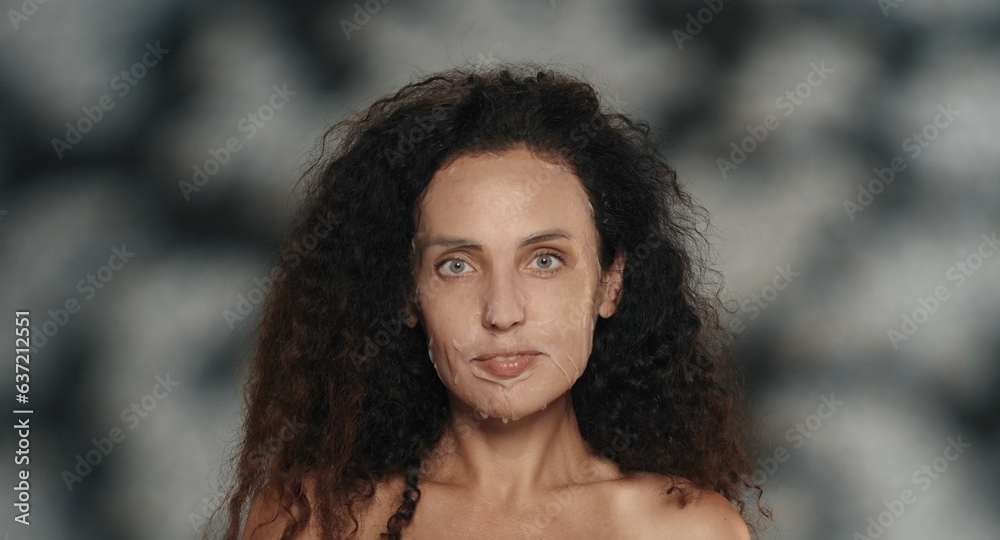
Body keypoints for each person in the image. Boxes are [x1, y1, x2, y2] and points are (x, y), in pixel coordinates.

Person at [207, 63, 763, 539]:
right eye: (457, 266)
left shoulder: (686, 531)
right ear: (407, 294)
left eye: (544, 260)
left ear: (610, 283)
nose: (502, 312)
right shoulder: (313, 521)